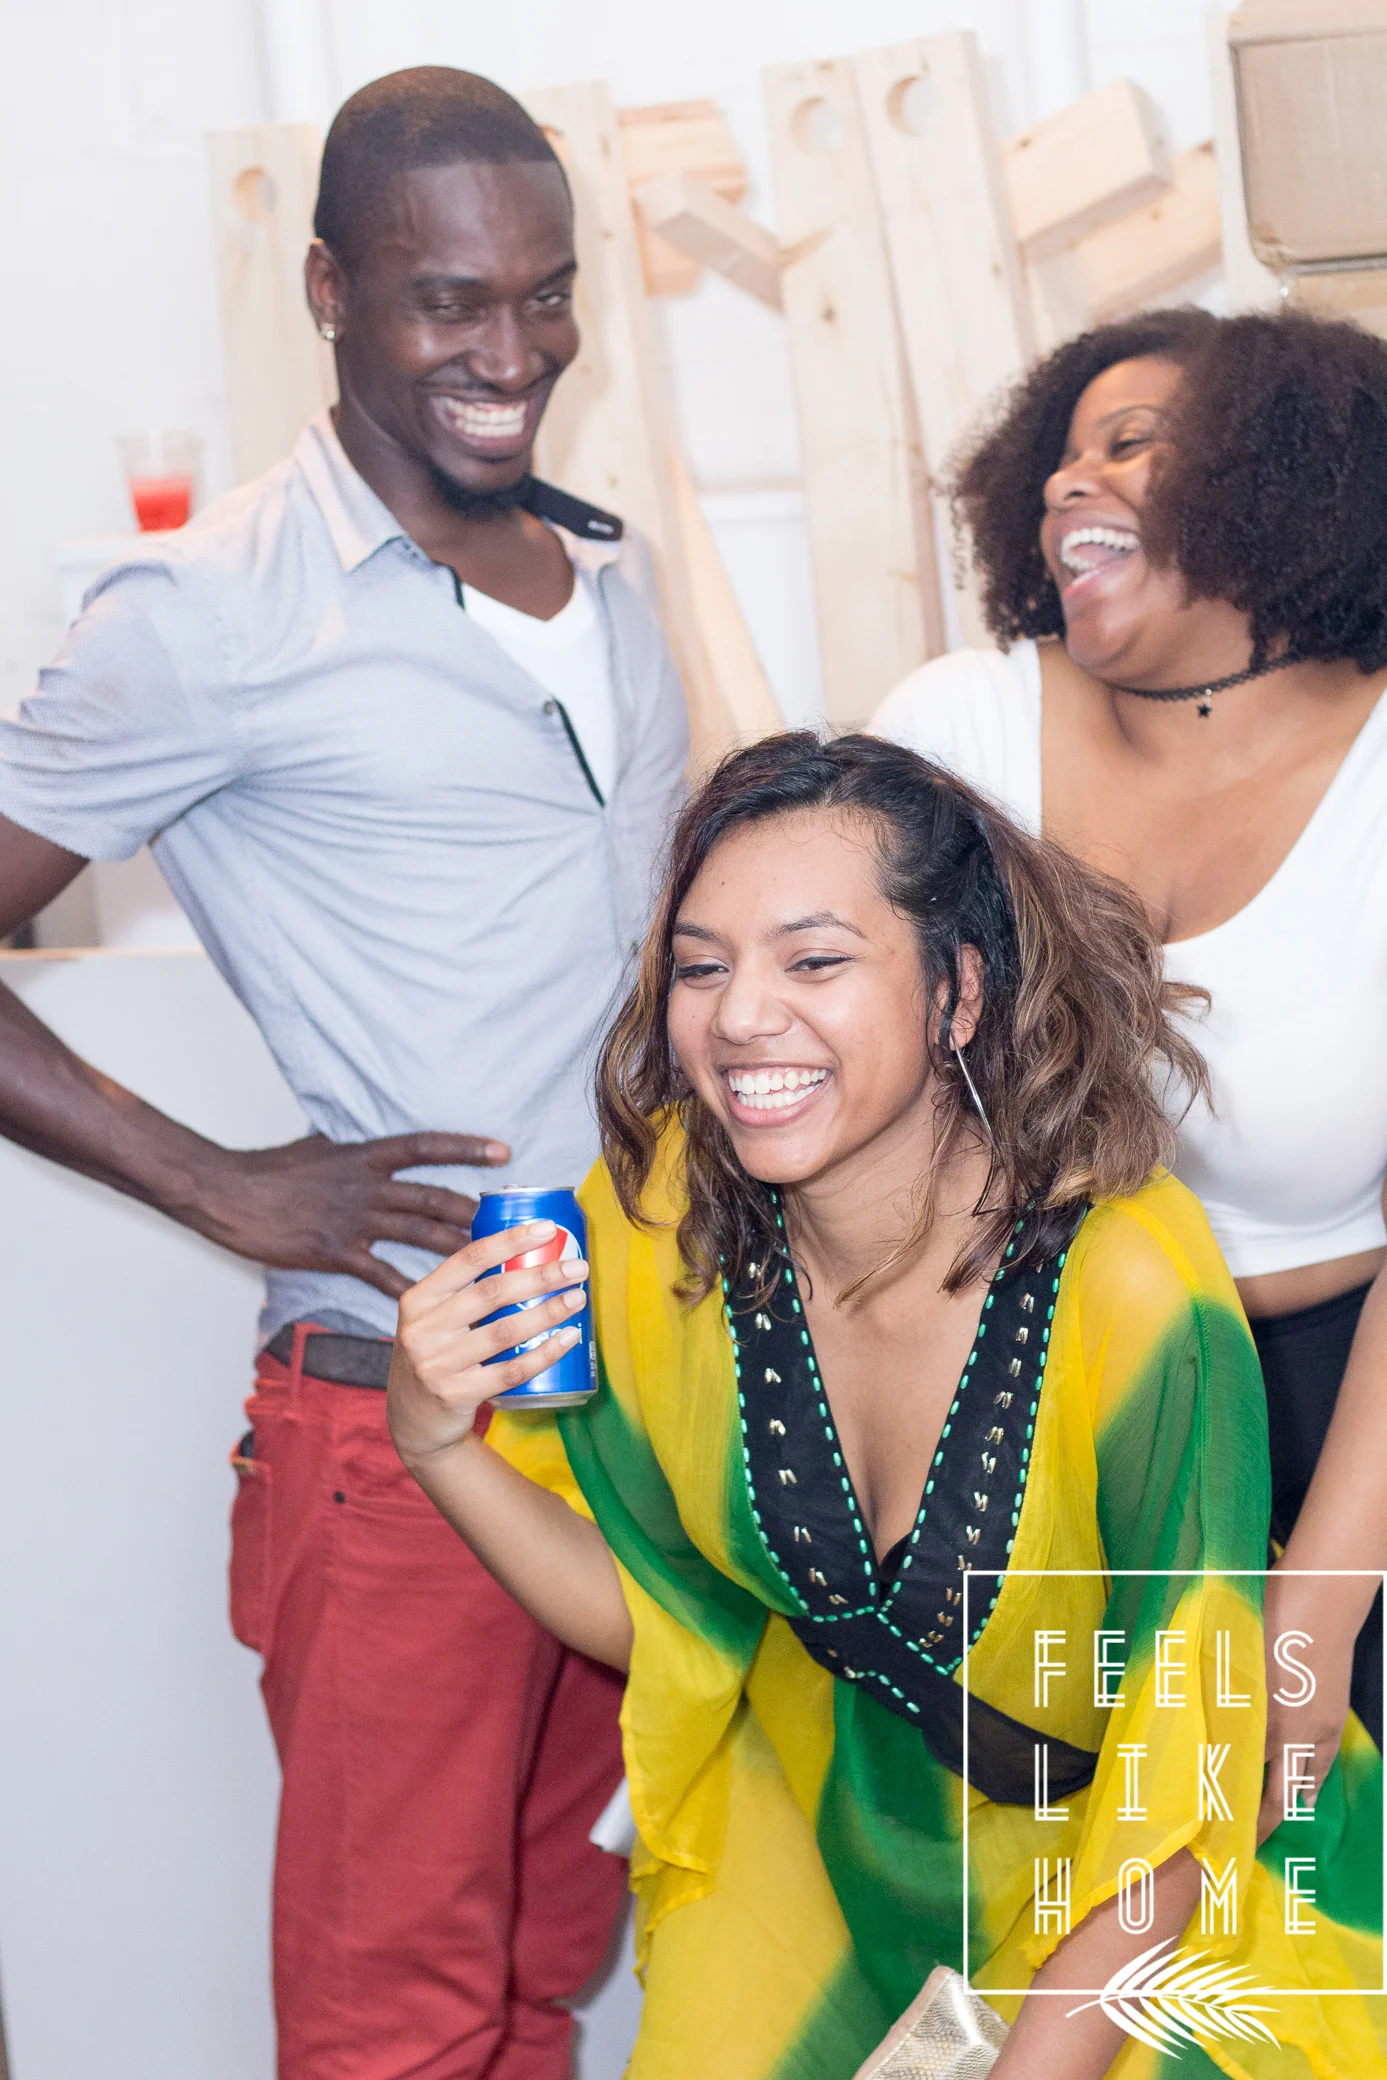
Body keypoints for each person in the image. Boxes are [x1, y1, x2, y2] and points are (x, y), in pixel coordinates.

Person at [0, 67, 687, 2080]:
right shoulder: (210, 613)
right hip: (403, 1412)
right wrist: (217, 1181)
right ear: (328, 290)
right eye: (449, 301)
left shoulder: (605, 571)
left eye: (545, 296)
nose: (512, 353)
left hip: (638, 1392)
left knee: (546, 1968)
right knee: (398, 2018)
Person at [387, 732, 1385, 2080]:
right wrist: (431, 1439)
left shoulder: (1136, 1285)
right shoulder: (659, 1220)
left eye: (813, 962)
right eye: (700, 967)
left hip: (1160, 1890)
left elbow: (1186, 1773)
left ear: (956, 992)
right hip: (834, 1844)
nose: (741, 1017)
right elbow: (668, 1619)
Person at [872, 307, 1387, 1818]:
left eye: (1132, 443)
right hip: (1033, 1414)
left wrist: (1316, 1613)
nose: (1065, 481)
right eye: (1059, 456)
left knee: (1327, 1909)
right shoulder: (958, 728)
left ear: (1273, 483)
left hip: (1346, 1426)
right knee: (1048, 1902)